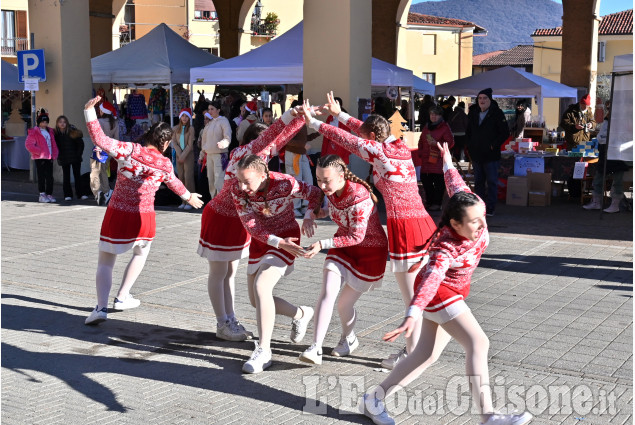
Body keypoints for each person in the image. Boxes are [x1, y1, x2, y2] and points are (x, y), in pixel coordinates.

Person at [359, 142, 532, 425]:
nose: (482, 224)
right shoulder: (445, 248)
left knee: (426, 355)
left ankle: (374, 398)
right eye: (474, 222)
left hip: (454, 291)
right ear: (455, 223)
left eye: (482, 218)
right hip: (440, 293)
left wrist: (448, 161)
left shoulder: (470, 205)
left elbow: (455, 186)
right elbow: (431, 279)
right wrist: (413, 313)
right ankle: (489, 417)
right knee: (478, 343)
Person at [305, 93, 438, 370]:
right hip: (422, 222)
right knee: (414, 296)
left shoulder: (379, 151)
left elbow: (350, 140)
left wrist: (315, 122)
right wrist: (339, 114)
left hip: (406, 228)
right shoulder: (397, 145)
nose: (366, 143)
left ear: (374, 137)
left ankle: (413, 355)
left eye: (368, 138)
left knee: (411, 298)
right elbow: (359, 130)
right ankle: (414, 350)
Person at [82, 96, 204, 326]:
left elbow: (99, 138)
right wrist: (188, 196)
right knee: (140, 254)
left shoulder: (128, 149)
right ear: (166, 144)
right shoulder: (165, 164)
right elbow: (174, 183)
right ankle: (123, 296)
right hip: (145, 216)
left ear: (148, 135)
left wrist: (89, 112)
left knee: (106, 261)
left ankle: (100, 307)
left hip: (117, 212)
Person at [197, 107, 307, 343]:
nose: (269, 145)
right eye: (263, 140)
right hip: (219, 218)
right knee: (218, 272)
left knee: (230, 273)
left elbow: (280, 138)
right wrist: (290, 114)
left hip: (240, 221)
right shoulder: (242, 153)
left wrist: (303, 119)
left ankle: (230, 319)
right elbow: (273, 135)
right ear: (253, 141)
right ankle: (222, 322)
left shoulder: (259, 160)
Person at [231, 154, 322, 374]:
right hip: (263, 241)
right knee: (256, 300)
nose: (242, 187)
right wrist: (276, 242)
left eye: (247, 182)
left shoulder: (285, 183)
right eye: (239, 180)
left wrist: (309, 215)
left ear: (263, 175)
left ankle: (264, 351)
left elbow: (316, 193)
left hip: (288, 240)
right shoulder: (238, 189)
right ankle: (301, 314)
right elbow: (251, 226)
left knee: (262, 287)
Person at [298, 154, 388, 365]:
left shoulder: (359, 197)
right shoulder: (331, 190)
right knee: (327, 292)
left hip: (369, 252)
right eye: (318, 179)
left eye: (325, 180)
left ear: (341, 177)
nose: (321, 185)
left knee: (343, 305)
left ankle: (348, 338)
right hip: (342, 247)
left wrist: (322, 244)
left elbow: (357, 236)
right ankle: (315, 347)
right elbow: (328, 211)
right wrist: (310, 215)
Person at [466, 88, 509, 217]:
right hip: (477, 154)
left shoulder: (497, 113)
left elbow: (505, 132)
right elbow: (468, 131)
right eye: (480, 98)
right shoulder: (473, 113)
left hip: (491, 155)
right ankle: (479, 207)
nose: (482, 101)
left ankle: (490, 207)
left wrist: (493, 145)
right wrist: (469, 146)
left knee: (491, 182)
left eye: (485, 98)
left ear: (490, 100)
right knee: (478, 182)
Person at [582, 107, 629, 213]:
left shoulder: (623, 121)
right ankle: (597, 202)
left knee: (617, 180)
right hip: (605, 152)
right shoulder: (607, 121)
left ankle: (615, 204)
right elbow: (601, 136)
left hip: (618, 153)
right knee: (599, 177)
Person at [418, 105, 455, 211]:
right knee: (426, 181)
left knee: (438, 183)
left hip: (438, 159)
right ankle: (429, 202)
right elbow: (421, 140)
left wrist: (437, 143)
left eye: (436, 115)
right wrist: (420, 152)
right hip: (426, 159)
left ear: (440, 116)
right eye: (431, 114)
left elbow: (450, 142)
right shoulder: (426, 127)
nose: (433, 116)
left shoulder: (444, 127)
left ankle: (437, 203)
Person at [561, 94, 596, 199]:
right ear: (580, 103)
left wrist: (591, 125)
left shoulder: (589, 111)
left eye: (587, 106)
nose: (585, 108)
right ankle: (573, 193)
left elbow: (594, 122)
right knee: (572, 169)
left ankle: (580, 192)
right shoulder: (571, 110)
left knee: (582, 169)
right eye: (583, 105)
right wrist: (574, 127)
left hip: (585, 143)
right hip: (573, 144)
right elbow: (563, 123)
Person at [199, 100, 231, 199]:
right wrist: (201, 155)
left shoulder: (224, 121)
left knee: (219, 180)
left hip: (220, 155)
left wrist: (223, 143)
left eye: (212, 109)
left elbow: (227, 137)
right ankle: (214, 201)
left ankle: (221, 203)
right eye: (209, 109)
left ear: (218, 110)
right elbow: (204, 142)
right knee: (211, 180)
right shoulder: (209, 124)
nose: (210, 111)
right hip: (210, 156)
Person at [25, 110, 59, 203]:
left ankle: (49, 194)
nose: (44, 123)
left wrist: (54, 153)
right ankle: (42, 194)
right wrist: (39, 151)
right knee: (41, 176)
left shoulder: (50, 131)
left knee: (49, 176)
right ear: (39, 122)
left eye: (46, 122)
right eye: (43, 122)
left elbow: (53, 143)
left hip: (49, 157)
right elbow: (29, 145)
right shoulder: (34, 132)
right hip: (40, 158)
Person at [54, 115, 87, 201]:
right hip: (64, 158)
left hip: (75, 157)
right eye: (60, 122)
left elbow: (80, 144)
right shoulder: (56, 135)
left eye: (64, 122)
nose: (62, 124)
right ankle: (67, 195)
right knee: (66, 177)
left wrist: (78, 155)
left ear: (67, 123)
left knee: (77, 176)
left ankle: (81, 194)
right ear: (57, 124)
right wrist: (59, 156)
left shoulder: (72, 132)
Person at [92, 101, 119, 205]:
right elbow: (117, 138)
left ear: (103, 111)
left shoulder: (99, 121)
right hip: (111, 149)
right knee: (104, 170)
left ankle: (106, 191)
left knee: (100, 171)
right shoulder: (115, 122)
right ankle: (105, 191)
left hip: (100, 149)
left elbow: (96, 137)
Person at [171, 108, 196, 209]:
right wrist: (179, 155)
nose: (184, 118)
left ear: (189, 118)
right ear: (180, 117)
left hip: (188, 155)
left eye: (186, 116)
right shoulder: (175, 128)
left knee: (188, 178)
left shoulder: (191, 129)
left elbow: (190, 145)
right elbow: (174, 143)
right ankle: (183, 201)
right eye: (183, 116)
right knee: (180, 178)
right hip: (178, 155)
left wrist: (183, 155)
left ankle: (190, 201)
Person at [320, 96, 351, 165]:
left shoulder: (345, 117)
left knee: (339, 169)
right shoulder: (330, 117)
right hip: (330, 146)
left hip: (341, 147)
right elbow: (325, 136)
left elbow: (347, 137)